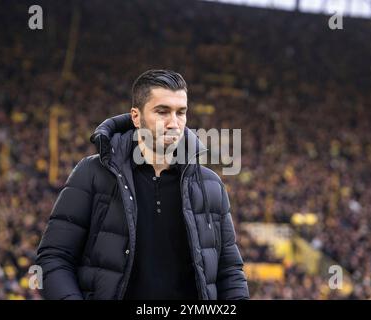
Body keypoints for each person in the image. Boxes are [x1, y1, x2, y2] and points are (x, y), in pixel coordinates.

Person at [36, 69, 249, 300]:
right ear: (136, 117)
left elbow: (229, 272)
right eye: (162, 112)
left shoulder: (211, 185)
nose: (174, 123)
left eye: (181, 112)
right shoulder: (93, 173)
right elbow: (53, 259)